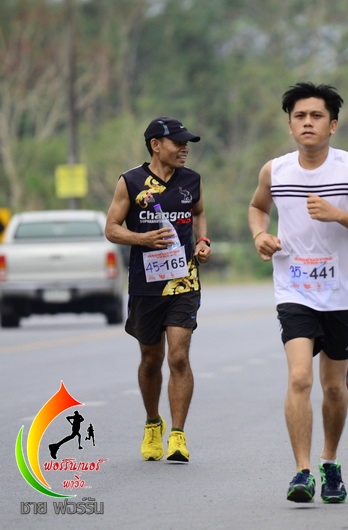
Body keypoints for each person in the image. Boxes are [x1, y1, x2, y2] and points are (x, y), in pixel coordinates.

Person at [248, 82, 348, 504]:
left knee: (335, 387)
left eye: (317, 116)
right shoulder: (275, 170)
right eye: (300, 116)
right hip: (294, 290)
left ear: (333, 124)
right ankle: (302, 471)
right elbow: (258, 208)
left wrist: (339, 215)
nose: (308, 123)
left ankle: (330, 462)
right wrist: (260, 236)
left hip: (340, 294)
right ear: (290, 125)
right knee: (300, 377)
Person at [105, 116, 211, 463]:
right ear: (155, 145)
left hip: (184, 281)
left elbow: (199, 213)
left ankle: (178, 435)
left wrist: (203, 241)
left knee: (178, 356)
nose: (184, 149)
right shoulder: (131, 181)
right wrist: (143, 239)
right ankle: (153, 423)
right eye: (177, 143)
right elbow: (111, 228)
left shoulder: (192, 180)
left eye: (186, 144)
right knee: (151, 359)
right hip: (146, 284)